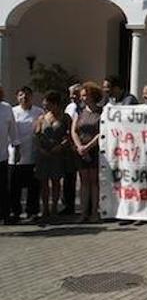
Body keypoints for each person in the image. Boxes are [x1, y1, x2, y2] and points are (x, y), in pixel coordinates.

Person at [33, 91, 71, 222]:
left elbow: (69, 135)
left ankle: (54, 208)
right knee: (44, 183)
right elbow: (36, 136)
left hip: (57, 154)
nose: (45, 106)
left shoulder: (65, 117)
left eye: (48, 104)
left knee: (56, 182)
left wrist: (61, 146)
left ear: (55, 104)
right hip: (44, 155)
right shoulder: (42, 118)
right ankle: (45, 209)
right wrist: (40, 149)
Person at [9, 87, 44, 222]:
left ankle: (33, 211)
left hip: (33, 154)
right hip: (15, 156)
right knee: (14, 187)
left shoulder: (38, 111)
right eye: (21, 95)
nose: (24, 97)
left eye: (27, 95)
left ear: (32, 96)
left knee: (33, 186)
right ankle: (15, 212)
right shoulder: (12, 112)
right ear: (17, 97)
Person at [71, 82, 103, 223]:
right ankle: (83, 212)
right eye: (82, 96)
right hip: (81, 151)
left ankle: (94, 212)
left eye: (85, 95)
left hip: (95, 150)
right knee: (84, 182)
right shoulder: (79, 111)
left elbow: (101, 132)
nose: (83, 98)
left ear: (93, 96)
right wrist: (80, 147)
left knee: (94, 182)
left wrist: (88, 147)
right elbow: (74, 130)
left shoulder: (101, 112)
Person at [60, 83, 82, 215]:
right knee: (69, 177)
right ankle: (69, 205)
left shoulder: (85, 108)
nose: (72, 96)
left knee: (85, 178)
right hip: (69, 147)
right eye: (70, 94)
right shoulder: (69, 107)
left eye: (75, 93)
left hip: (82, 145)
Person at [0, 85, 20, 224]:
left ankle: (5, 215)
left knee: (2, 187)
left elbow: (13, 129)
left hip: (2, 155)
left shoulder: (6, 108)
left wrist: (16, 146)